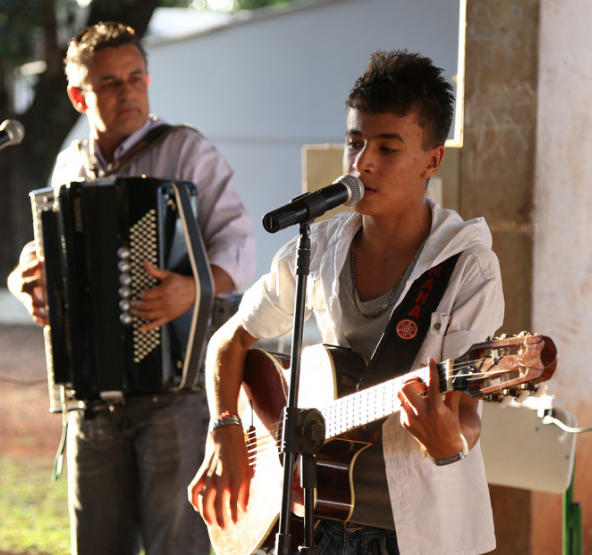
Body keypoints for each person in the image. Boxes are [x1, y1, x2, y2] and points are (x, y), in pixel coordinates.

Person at [188, 50, 504, 554]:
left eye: (387, 148)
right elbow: (231, 339)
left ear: (432, 160)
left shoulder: (466, 266)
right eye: (355, 142)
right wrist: (224, 426)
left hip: (414, 531)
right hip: (309, 518)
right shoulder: (321, 246)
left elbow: (465, 413)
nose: (362, 163)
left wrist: (452, 444)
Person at [6, 22, 256, 555]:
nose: (127, 92)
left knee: (176, 543)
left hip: (175, 391)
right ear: (79, 96)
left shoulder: (186, 150)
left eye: (135, 78)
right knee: (95, 544)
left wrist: (192, 289)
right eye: (109, 84)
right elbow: (44, 254)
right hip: (91, 393)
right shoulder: (70, 166)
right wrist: (24, 280)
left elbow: (239, 247)